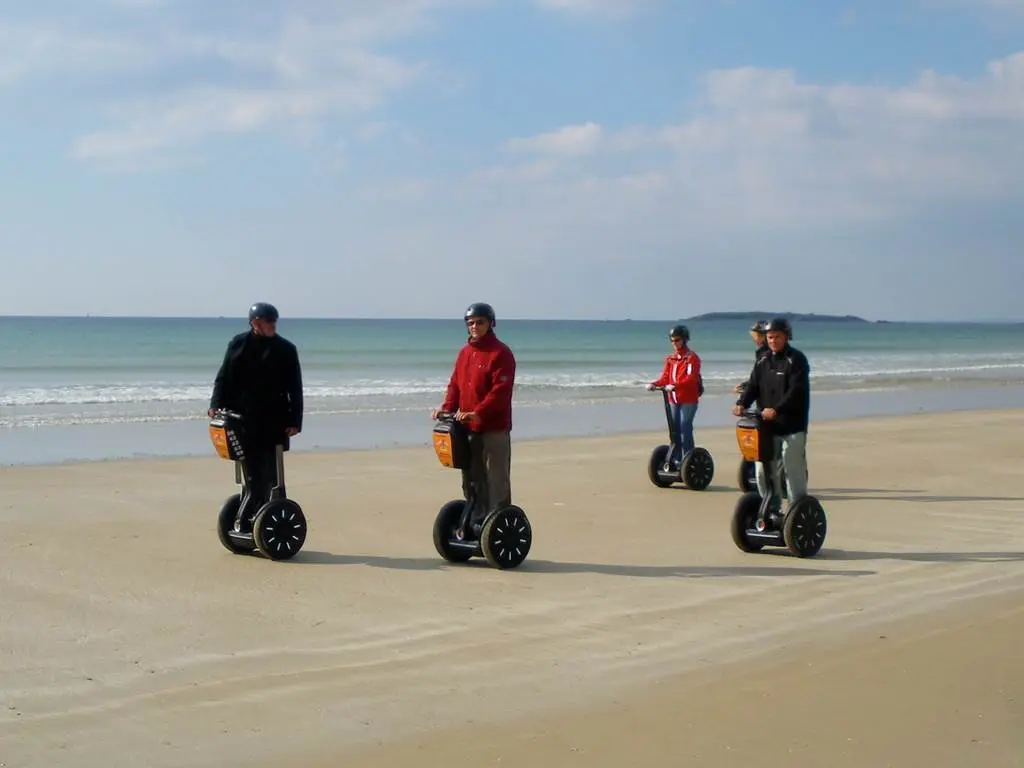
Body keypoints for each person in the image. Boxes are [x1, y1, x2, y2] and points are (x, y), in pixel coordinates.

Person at [208, 302, 304, 523]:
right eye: (269, 322)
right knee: (251, 472)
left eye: (274, 322)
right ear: (255, 323)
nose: (273, 326)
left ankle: (261, 513)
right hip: (242, 418)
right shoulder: (238, 344)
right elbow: (224, 376)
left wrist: (295, 421)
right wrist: (215, 404)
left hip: (273, 419)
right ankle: (249, 514)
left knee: (270, 473)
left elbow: (295, 387)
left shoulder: (286, 349)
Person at [432, 302, 516, 535]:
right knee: (471, 478)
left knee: (495, 479)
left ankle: (497, 527)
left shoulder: (501, 353)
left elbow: (500, 392)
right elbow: (455, 386)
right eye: (471, 323)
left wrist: (477, 411)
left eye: (480, 322)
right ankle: (475, 521)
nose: (475, 327)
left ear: (490, 323)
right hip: (466, 428)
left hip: (493, 429)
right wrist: (445, 409)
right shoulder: (464, 354)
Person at [732, 317, 810, 506]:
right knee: (762, 470)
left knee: (792, 469)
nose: (773, 341)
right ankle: (771, 508)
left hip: (793, 426)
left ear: (786, 337)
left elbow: (796, 391)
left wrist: (777, 409)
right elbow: (753, 385)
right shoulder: (763, 360)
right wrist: (742, 403)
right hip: (767, 425)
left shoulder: (796, 360)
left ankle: (795, 510)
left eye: (777, 337)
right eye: (770, 337)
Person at [647, 324, 703, 466]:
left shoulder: (691, 358)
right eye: (672, 341)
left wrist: (675, 385)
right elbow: (665, 378)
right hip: (673, 399)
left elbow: (691, 378)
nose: (674, 343)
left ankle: (689, 459)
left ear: (684, 339)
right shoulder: (671, 359)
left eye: (677, 340)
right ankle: (676, 459)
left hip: (688, 399)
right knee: (674, 430)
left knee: (685, 426)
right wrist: (655, 384)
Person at [733, 320, 770, 395]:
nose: (754, 340)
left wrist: (745, 387)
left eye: (754, 337)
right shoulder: (767, 351)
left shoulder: (764, 353)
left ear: (762, 336)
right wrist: (744, 385)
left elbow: (761, 377)